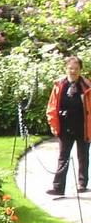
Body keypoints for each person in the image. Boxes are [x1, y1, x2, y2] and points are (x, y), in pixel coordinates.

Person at [47, 54, 91, 197]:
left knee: (83, 156)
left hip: (83, 127)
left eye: (76, 68)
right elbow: (52, 107)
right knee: (62, 157)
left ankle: (82, 184)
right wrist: (53, 124)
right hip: (65, 128)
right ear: (66, 69)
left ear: (80, 70)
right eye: (70, 68)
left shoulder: (87, 86)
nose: (73, 71)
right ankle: (58, 187)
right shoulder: (59, 85)